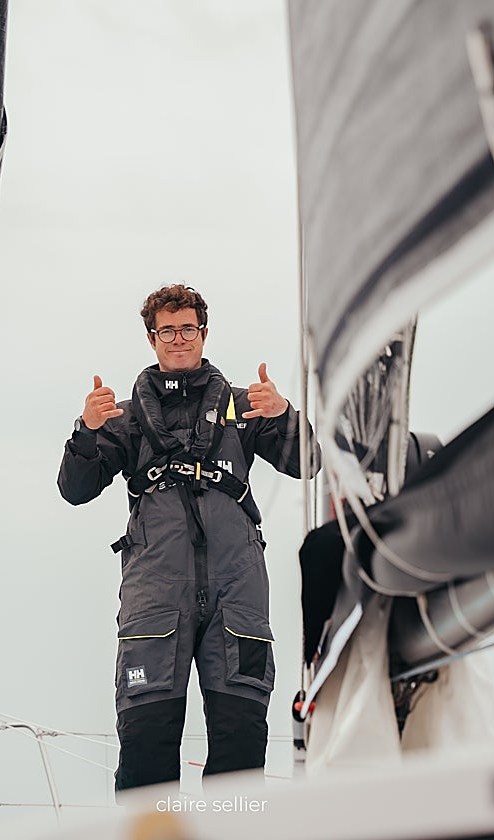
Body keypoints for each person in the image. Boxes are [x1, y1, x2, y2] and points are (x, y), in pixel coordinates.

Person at [57, 284, 319, 794]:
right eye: (167, 331)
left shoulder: (246, 407)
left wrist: (284, 414)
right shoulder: (124, 418)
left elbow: (308, 464)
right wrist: (86, 431)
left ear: (204, 332)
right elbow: (75, 490)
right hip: (155, 599)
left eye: (188, 329)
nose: (179, 339)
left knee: (241, 742)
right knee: (146, 745)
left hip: (237, 595)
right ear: (152, 339)